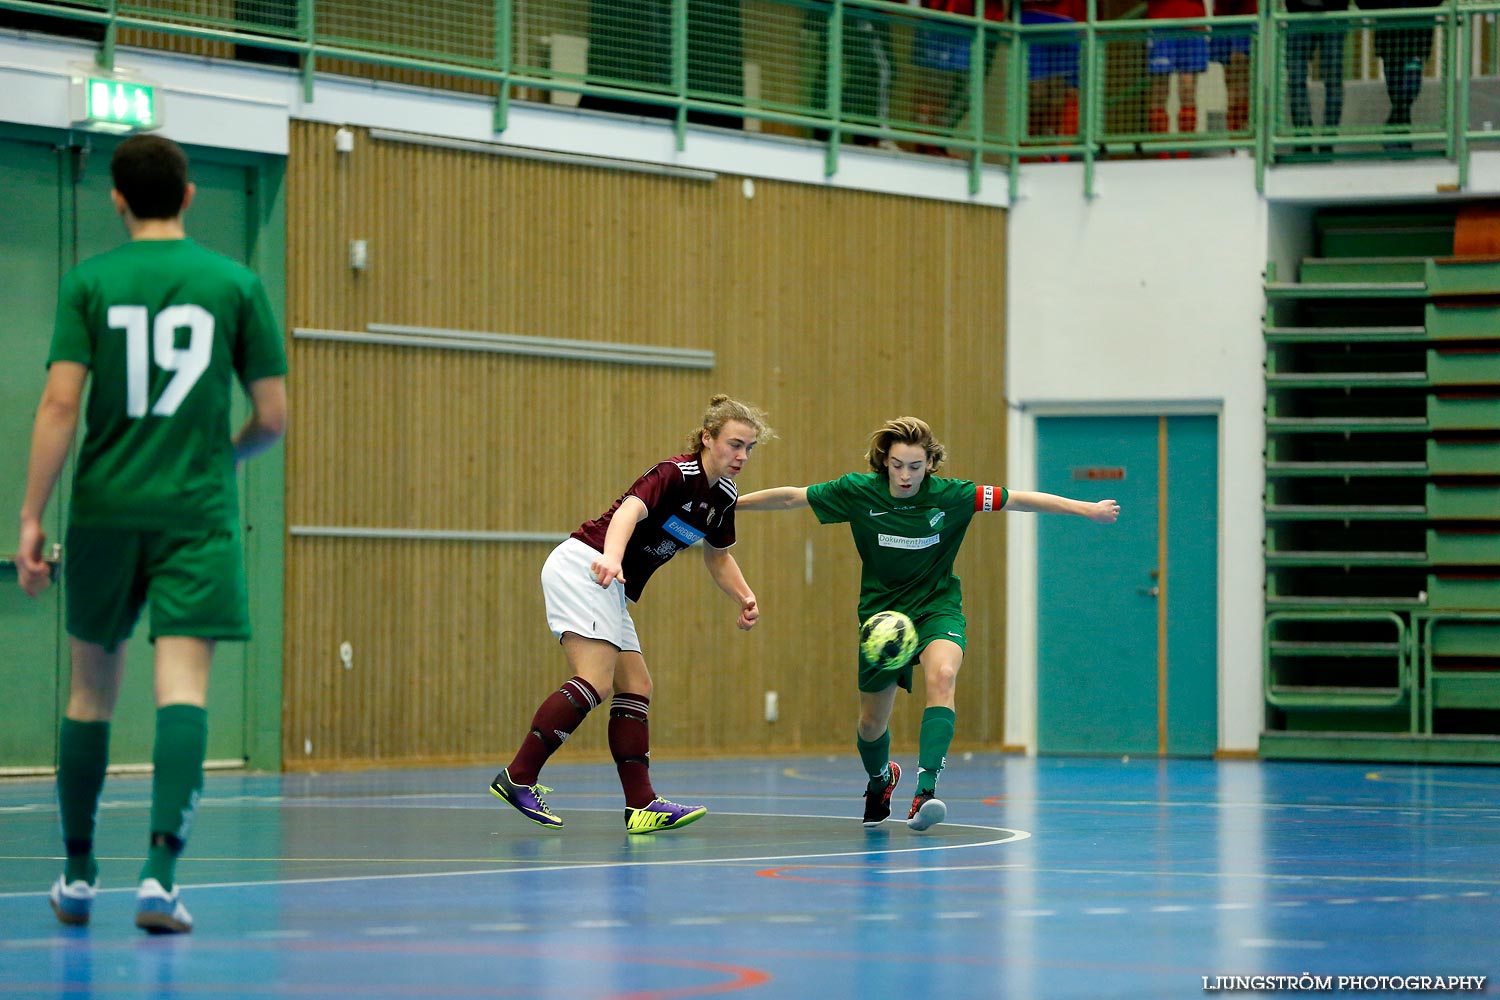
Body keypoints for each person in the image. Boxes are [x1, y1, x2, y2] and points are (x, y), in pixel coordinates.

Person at [15, 134, 289, 934]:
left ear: (117, 199)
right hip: (194, 514)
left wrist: (31, 515)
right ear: (191, 195)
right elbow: (271, 418)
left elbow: (60, 406)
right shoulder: (236, 284)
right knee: (183, 690)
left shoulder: (89, 282)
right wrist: (220, 455)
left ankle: (74, 874)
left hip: (103, 509)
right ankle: (160, 878)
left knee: (90, 691)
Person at [737, 417, 1118, 830]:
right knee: (870, 724)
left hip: (937, 607)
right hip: (883, 620)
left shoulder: (952, 497)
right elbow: (794, 497)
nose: (905, 475)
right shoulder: (857, 492)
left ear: (930, 463)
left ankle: (925, 793)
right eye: (898, 465)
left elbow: (1020, 500)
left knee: (943, 675)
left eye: (915, 466)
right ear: (884, 462)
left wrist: (1086, 509)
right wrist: (730, 503)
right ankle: (881, 779)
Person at [489, 395, 772, 834]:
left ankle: (641, 804)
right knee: (596, 680)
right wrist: (614, 558)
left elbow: (718, 557)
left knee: (635, 684)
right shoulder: (676, 473)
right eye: (734, 444)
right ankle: (519, 776)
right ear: (707, 438)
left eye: (750, 448)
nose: (742, 456)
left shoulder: (723, 497)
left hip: (609, 583)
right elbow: (628, 511)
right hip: (588, 565)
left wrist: (745, 595)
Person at [1356, 0, 1441, 146]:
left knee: (1411, 87)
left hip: (1416, 37)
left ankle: (1394, 130)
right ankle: (1400, 134)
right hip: (1390, 36)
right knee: (1395, 92)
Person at [1284, 0, 1349, 148]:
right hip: (1299, 13)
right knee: (1296, 77)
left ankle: (1328, 138)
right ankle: (1303, 136)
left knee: (1333, 77)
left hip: (1334, 13)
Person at [1144, 0, 1208, 144]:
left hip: (1193, 20)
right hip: (1161, 21)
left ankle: (1185, 147)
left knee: (1188, 87)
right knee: (1159, 88)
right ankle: (1160, 149)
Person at [1208, 0, 1255, 134]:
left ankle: (1243, 134)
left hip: (1246, 16)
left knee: (1241, 78)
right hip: (1222, 17)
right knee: (1230, 80)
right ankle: (1234, 137)